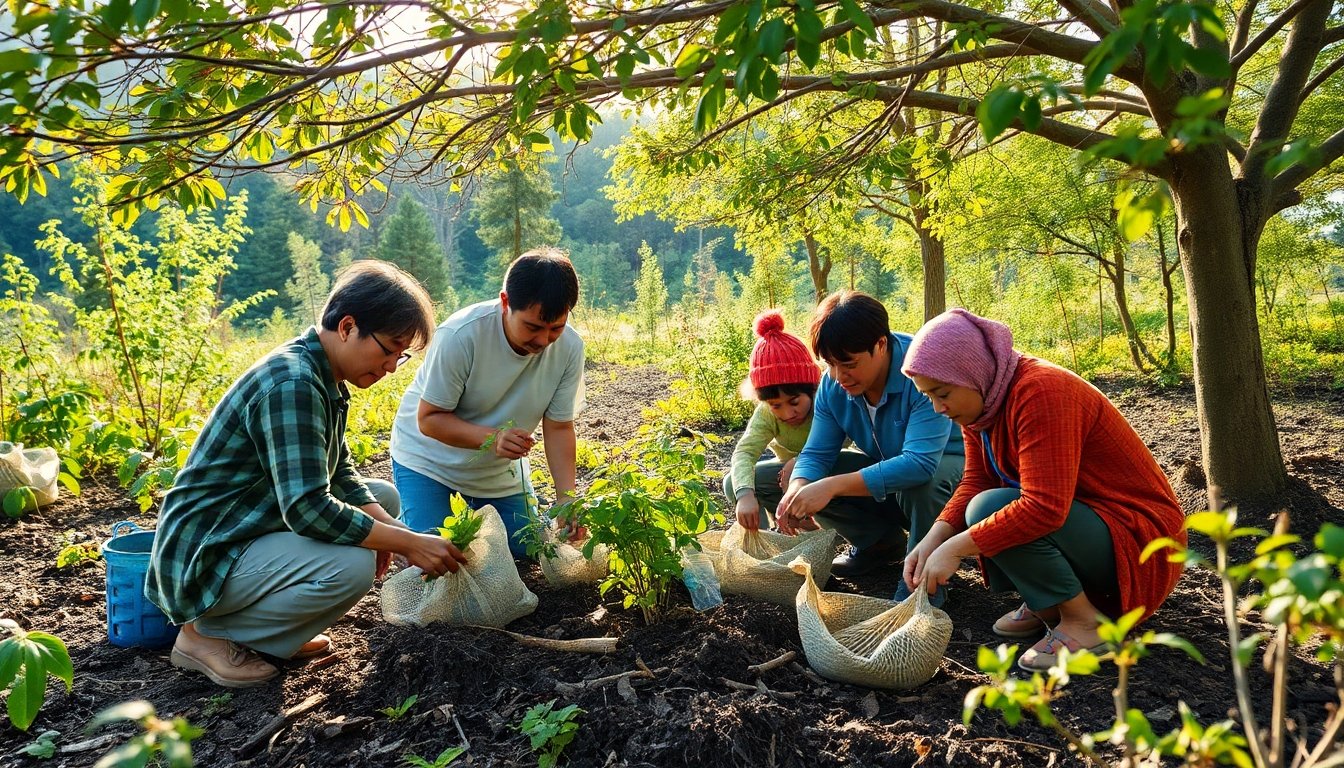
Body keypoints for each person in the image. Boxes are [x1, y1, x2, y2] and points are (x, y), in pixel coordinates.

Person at [147, 261, 469, 689]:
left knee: (381, 499)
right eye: (389, 348)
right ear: (348, 326)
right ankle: (205, 635)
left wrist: (399, 535)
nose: (392, 366)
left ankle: (270, 632)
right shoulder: (293, 384)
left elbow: (340, 476)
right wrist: (406, 541)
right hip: (205, 552)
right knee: (352, 564)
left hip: (246, 523)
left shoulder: (323, 374)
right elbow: (307, 509)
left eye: (401, 355)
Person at [899, 309, 1186, 672]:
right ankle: (1049, 603)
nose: (938, 407)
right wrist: (933, 539)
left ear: (971, 372)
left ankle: (1085, 621)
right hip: (1089, 521)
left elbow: (1044, 507)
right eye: (928, 397)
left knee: (989, 509)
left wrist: (956, 548)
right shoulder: (982, 403)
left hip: (1141, 539)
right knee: (983, 502)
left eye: (942, 393)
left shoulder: (1042, 391)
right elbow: (978, 479)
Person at [390, 248, 585, 557]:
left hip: (497, 477)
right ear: (505, 302)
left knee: (527, 550)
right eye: (533, 327)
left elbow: (559, 427)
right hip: (429, 464)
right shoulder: (461, 335)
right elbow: (429, 419)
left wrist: (566, 499)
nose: (544, 340)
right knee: (445, 557)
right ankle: (411, 514)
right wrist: (493, 439)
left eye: (556, 328)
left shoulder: (570, 348)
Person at [776, 291, 964, 605]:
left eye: (848, 364)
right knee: (780, 474)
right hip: (890, 477)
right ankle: (879, 545)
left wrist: (832, 487)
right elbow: (817, 452)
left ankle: (924, 584)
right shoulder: (834, 384)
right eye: (830, 364)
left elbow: (919, 464)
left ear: (880, 344)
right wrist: (799, 487)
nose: (838, 376)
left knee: (922, 484)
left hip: (953, 484)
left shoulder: (921, 371)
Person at [723, 310, 827, 531]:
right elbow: (745, 452)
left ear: (811, 389)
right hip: (786, 477)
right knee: (734, 483)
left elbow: (842, 444)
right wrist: (745, 496)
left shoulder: (824, 401)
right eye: (776, 405)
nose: (788, 413)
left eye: (794, 402)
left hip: (830, 471)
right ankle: (764, 544)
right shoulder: (766, 413)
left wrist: (800, 462)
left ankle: (852, 533)